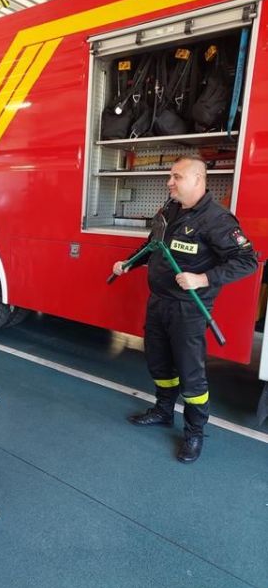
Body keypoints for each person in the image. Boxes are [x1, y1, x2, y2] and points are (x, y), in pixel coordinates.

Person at [112, 156, 258, 463]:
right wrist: (129, 263)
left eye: (177, 177)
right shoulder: (170, 209)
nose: (170, 182)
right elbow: (153, 246)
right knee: (159, 363)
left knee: (191, 375)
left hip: (189, 309)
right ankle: (163, 411)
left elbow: (247, 261)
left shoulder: (217, 219)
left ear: (198, 180)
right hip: (159, 303)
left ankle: (194, 432)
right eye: (171, 176)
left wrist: (202, 278)